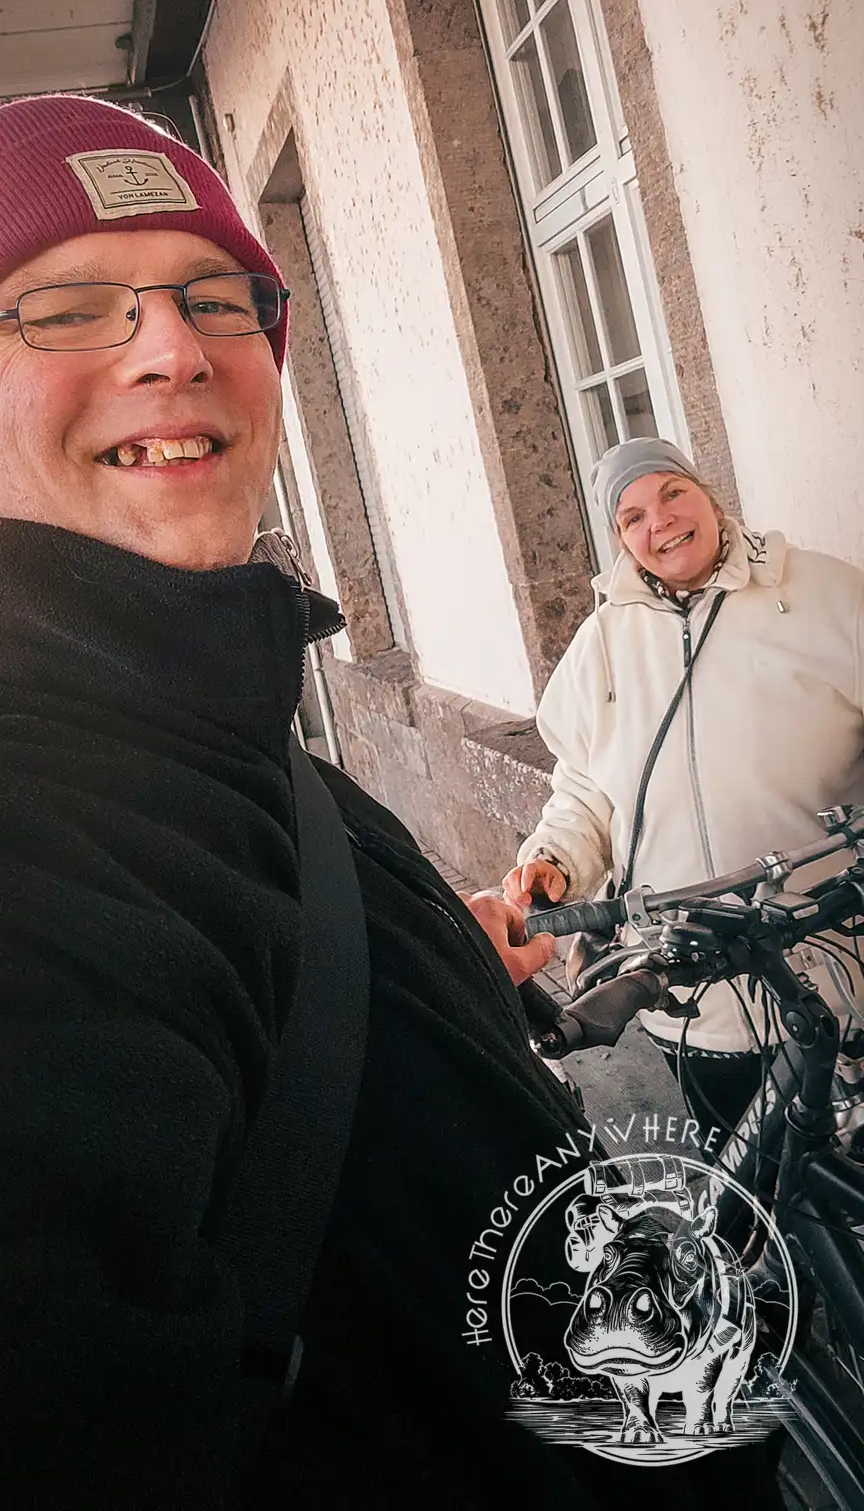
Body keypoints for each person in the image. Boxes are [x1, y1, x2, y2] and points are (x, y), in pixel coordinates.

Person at [0, 97, 785, 1511]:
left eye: (210, 297)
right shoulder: (39, 809)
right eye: (65, 308)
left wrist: (436, 986)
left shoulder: (222, 716)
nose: (172, 348)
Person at [506, 436, 864, 1135]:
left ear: (708, 495)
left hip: (834, 975)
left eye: (672, 493)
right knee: (746, 1210)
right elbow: (584, 787)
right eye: (632, 515)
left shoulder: (827, 596)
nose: (659, 521)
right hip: (689, 996)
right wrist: (554, 859)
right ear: (619, 539)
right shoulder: (602, 644)